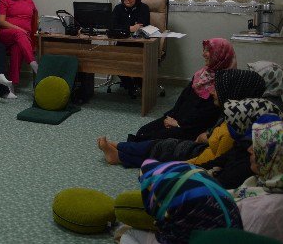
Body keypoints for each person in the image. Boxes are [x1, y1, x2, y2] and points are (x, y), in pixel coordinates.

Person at [98, 38, 236, 163]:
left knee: (158, 143)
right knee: (144, 132)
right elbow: (183, 100)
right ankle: (121, 151)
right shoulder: (202, 74)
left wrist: (178, 124)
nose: (204, 54)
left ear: (220, 56)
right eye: (204, 50)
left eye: (209, 51)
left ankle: (119, 153)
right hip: (178, 118)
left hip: (192, 128)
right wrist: (170, 116)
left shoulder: (223, 83)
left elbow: (205, 117)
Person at [98, 69, 264, 168]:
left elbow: (214, 160)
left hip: (198, 157)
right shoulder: (232, 113)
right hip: (198, 146)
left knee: (162, 153)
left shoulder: (235, 127)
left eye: (217, 89)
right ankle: (120, 146)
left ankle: (119, 155)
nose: (212, 91)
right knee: (160, 144)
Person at [118, 160, 243, 244]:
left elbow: (169, 238)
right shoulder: (212, 186)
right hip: (234, 236)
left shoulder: (180, 201)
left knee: (126, 233)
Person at [232, 119, 283, 241]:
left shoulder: (266, 210)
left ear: (275, 157)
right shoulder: (261, 182)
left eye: (258, 147)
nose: (249, 149)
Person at [0, 0, 39, 89]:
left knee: (17, 48)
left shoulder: (29, 1)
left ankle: (12, 85)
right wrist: (18, 29)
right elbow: (1, 21)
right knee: (19, 34)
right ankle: (33, 63)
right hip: (6, 34)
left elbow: (35, 20)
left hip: (23, 38)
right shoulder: (4, 0)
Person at [111, 0, 151, 95]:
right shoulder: (118, 8)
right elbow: (113, 26)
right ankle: (129, 85)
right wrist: (130, 28)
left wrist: (124, 27)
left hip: (139, 45)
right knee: (114, 60)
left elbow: (142, 25)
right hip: (122, 44)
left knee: (136, 61)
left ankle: (139, 83)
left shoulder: (144, 8)